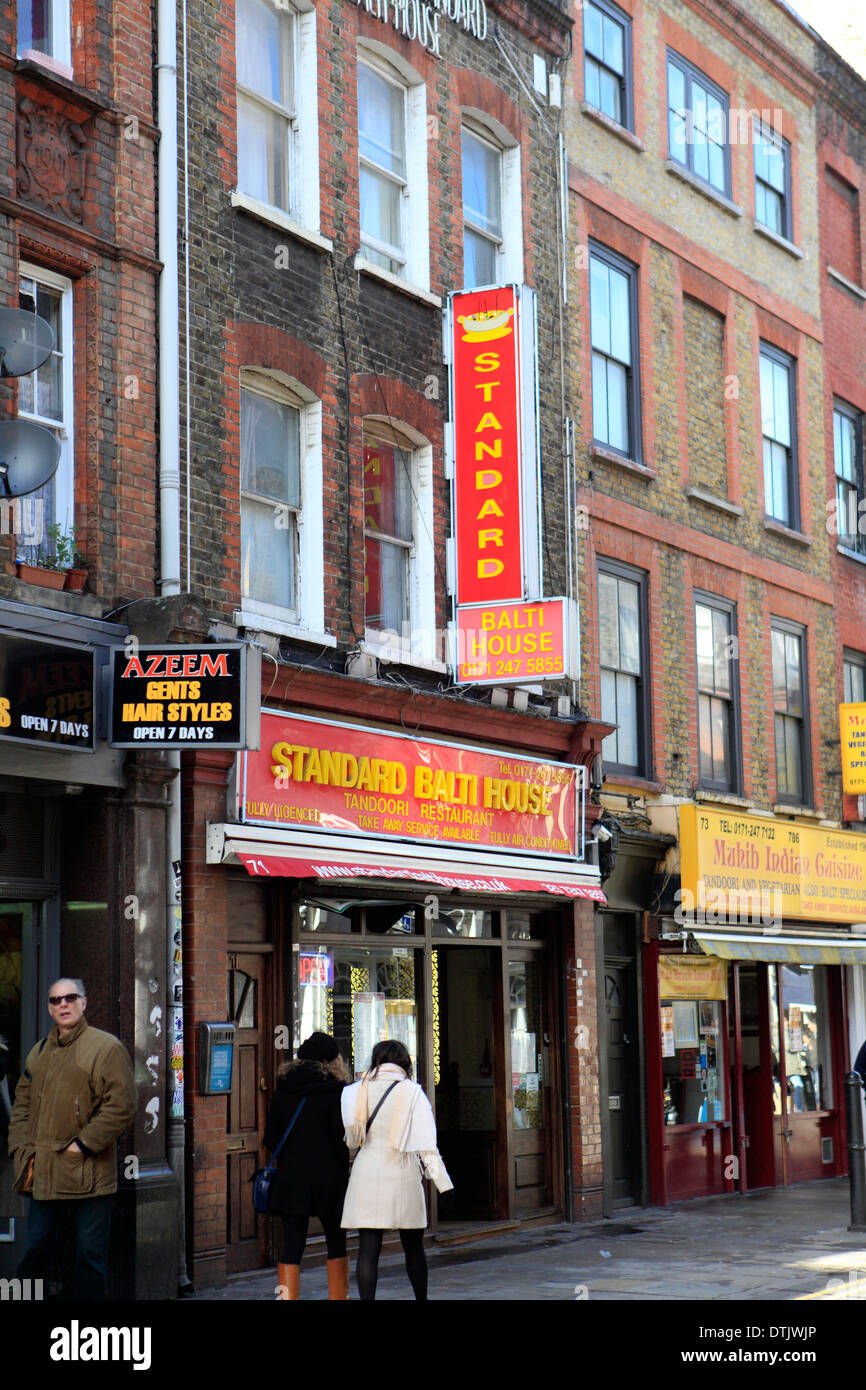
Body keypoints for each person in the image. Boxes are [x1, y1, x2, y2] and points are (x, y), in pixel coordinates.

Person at [7, 977, 137, 1300]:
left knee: (89, 1260)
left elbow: (123, 1104)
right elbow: (21, 1103)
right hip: (44, 1172)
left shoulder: (106, 1047)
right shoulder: (39, 1051)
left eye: (70, 998)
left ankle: (85, 1338)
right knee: (36, 1253)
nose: (63, 1004)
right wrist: (20, 1148)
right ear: (50, 1009)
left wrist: (83, 1144)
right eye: (55, 1000)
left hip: (89, 1175)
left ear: (84, 1002)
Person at [341, 1039, 453, 1301]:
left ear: (377, 1059)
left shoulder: (353, 1092)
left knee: (368, 1248)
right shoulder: (412, 1093)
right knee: (413, 1247)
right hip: (402, 1171)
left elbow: (350, 1140)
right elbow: (427, 1146)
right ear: (405, 1063)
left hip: (365, 1170)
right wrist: (443, 1184)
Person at [263, 1031, 350, 1300]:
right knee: (336, 1239)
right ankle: (338, 1297)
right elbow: (342, 1138)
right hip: (329, 1176)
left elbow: (271, 1138)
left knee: (292, 1242)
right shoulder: (338, 1092)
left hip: (292, 1177)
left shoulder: (283, 1090)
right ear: (332, 1061)